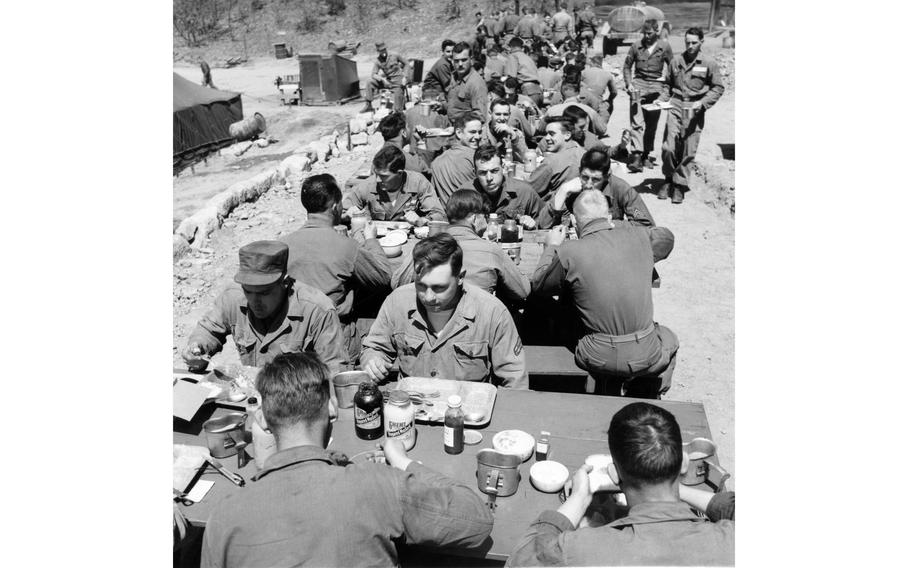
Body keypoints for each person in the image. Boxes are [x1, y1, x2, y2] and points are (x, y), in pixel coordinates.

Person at [201, 352, 494, 568]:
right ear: (331, 409)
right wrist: (403, 462)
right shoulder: (376, 484)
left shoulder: (223, 517)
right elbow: (477, 522)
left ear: (262, 419)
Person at [508, 401, 735, 566]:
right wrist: (677, 485)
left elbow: (523, 558)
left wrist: (578, 499)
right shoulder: (731, 542)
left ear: (614, 475)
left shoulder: (584, 552)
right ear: (684, 464)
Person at [530, 190, 677, 398]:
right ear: (609, 217)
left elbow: (540, 285)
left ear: (573, 220)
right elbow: (666, 237)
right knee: (670, 338)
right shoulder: (641, 237)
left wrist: (551, 247)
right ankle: (645, 394)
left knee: (568, 313)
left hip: (595, 355)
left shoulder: (569, 250)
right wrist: (621, 230)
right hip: (645, 352)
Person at [361, 233, 528, 388]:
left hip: (468, 411)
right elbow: (374, 347)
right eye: (421, 285)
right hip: (412, 408)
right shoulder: (397, 302)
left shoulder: (492, 312)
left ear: (460, 277)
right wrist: (373, 361)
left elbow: (514, 378)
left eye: (439, 288)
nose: (428, 297)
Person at [183, 241, 346, 373]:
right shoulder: (233, 296)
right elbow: (208, 330)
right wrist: (197, 348)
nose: (254, 300)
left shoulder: (317, 310)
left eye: (264, 293)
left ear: (285, 283)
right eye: (248, 291)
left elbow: (335, 370)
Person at [280, 174, 391, 361]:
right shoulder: (346, 246)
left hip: (294, 337)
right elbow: (383, 277)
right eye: (341, 204)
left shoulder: (283, 245)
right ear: (334, 207)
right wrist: (371, 239)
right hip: (334, 338)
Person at [392, 190, 530, 303]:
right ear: (475, 219)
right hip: (476, 325)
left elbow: (396, 284)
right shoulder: (492, 251)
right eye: (485, 217)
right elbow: (523, 290)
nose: (487, 222)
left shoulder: (424, 246)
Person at [659, 27, 725, 204]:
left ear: (701, 42)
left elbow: (718, 88)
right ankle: (667, 178)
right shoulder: (676, 61)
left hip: (695, 107)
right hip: (676, 104)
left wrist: (702, 103)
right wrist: (661, 99)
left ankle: (679, 184)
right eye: (687, 42)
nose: (690, 46)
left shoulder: (709, 63)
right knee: (669, 147)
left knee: (688, 148)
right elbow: (667, 85)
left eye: (694, 42)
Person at [550, 146, 655, 227]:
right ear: (580, 171)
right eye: (585, 177)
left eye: (596, 179)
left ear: (607, 176)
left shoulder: (621, 188)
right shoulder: (571, 185)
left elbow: (646, 225)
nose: (589, 184)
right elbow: (543, 225)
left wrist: (611, 224)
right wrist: (562, 192)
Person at [463, 145, 558, 230]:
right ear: (474, 172)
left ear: (503, 167)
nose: (489, 178)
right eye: (483, 173)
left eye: (494, 171)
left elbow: (545, 222)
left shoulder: (523, 191)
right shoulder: (464, 195)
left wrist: (533, 223)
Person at [343, 145, 446, 224]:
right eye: (376, 174)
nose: (378, 180)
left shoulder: (418, 182)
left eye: (384, 176)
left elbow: (439, 215)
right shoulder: (368, 185)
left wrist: (422, 220)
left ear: (399, 173)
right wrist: (346, 215)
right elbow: (338, 212)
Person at [623, 19, 673, 173]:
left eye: (649, 33)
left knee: (651, 125)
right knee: (637, 122)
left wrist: (666, 91)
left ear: (656, 31)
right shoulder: (636, 46)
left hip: (657, 86)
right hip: (639, 85)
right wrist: (629, 83)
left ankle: (645, 154)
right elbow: (627, 66)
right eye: (644, 33)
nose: (646, 36)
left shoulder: (664, 47)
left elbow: (672, 70)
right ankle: (636, 156)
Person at [527, 116, 586, 201]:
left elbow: (529, 189)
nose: (546, 138)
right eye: (546, 134)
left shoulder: (551, 161)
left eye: (552, 134)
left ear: (567, 135)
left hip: (553, 207)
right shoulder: (583, 153)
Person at [430, 112, 483, 205]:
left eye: (480, 132)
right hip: (472, 212)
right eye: (473, 132)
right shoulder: (475, 157)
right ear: (458, 133)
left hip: (446, 215)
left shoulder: (436, 162)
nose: (478, 136)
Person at [404, 85, 452, 169]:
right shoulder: (439, 116)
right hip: (434, 156)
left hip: (414, 154)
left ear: (422, 98)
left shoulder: (409, 112)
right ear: (437, 98)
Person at [447, 41, 489, 123]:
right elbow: (456, 106)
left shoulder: (476, 83)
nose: (460, 64)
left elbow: (480, 116)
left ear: (471, 60)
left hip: (464, 130)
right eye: (456, 61)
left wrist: (460, 127)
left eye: (464, 60)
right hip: (449, 125)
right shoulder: (455, 76)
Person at [363, 42, 410, 113]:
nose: (383, 51)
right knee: (369, 81)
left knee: (397, 109)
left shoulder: (395, 55)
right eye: (381, 50)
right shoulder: (378, 61)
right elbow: (373, 74)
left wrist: (405, 77)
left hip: (398, 84)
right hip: (388, 83)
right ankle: (368, 104)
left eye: (384, 49)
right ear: (378, 51)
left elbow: (406, 63)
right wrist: (382, 79)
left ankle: (396, 105)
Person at [581, 52, 618, 128]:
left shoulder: (583, 72)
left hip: (583, 101)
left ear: (593, 63)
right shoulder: (608, 74)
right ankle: (602, 125)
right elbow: (614, 92)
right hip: (598, 103)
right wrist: (609, 100)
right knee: (610, 104)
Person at [505, 36, 543, 108]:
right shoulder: (527, 57)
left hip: (528, 91)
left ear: (510, 46)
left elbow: (512, 78)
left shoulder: (513, 56)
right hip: (539, 91)